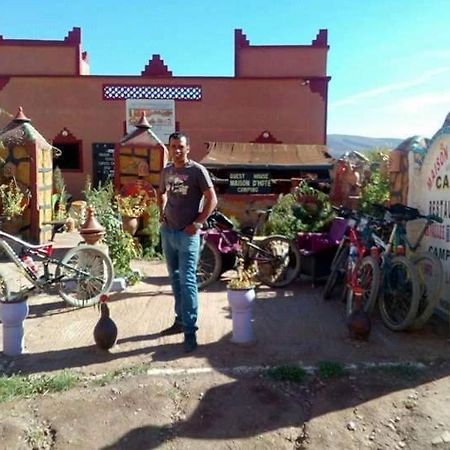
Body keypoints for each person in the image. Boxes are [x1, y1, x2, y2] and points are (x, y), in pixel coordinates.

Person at [157, 131, 217, 353]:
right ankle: (180, 321)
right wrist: (161, 212)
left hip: (188, 234)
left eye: (181, 147)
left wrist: (198, 223)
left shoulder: (197, 171)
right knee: (174, 279)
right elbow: (161, 193)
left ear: (188, 148)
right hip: (169, 232)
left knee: (188, 281)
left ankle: (190, 332)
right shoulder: (166, 171)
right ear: (170, 148)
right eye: (174, 147)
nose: (177, 150)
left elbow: (212, 200)